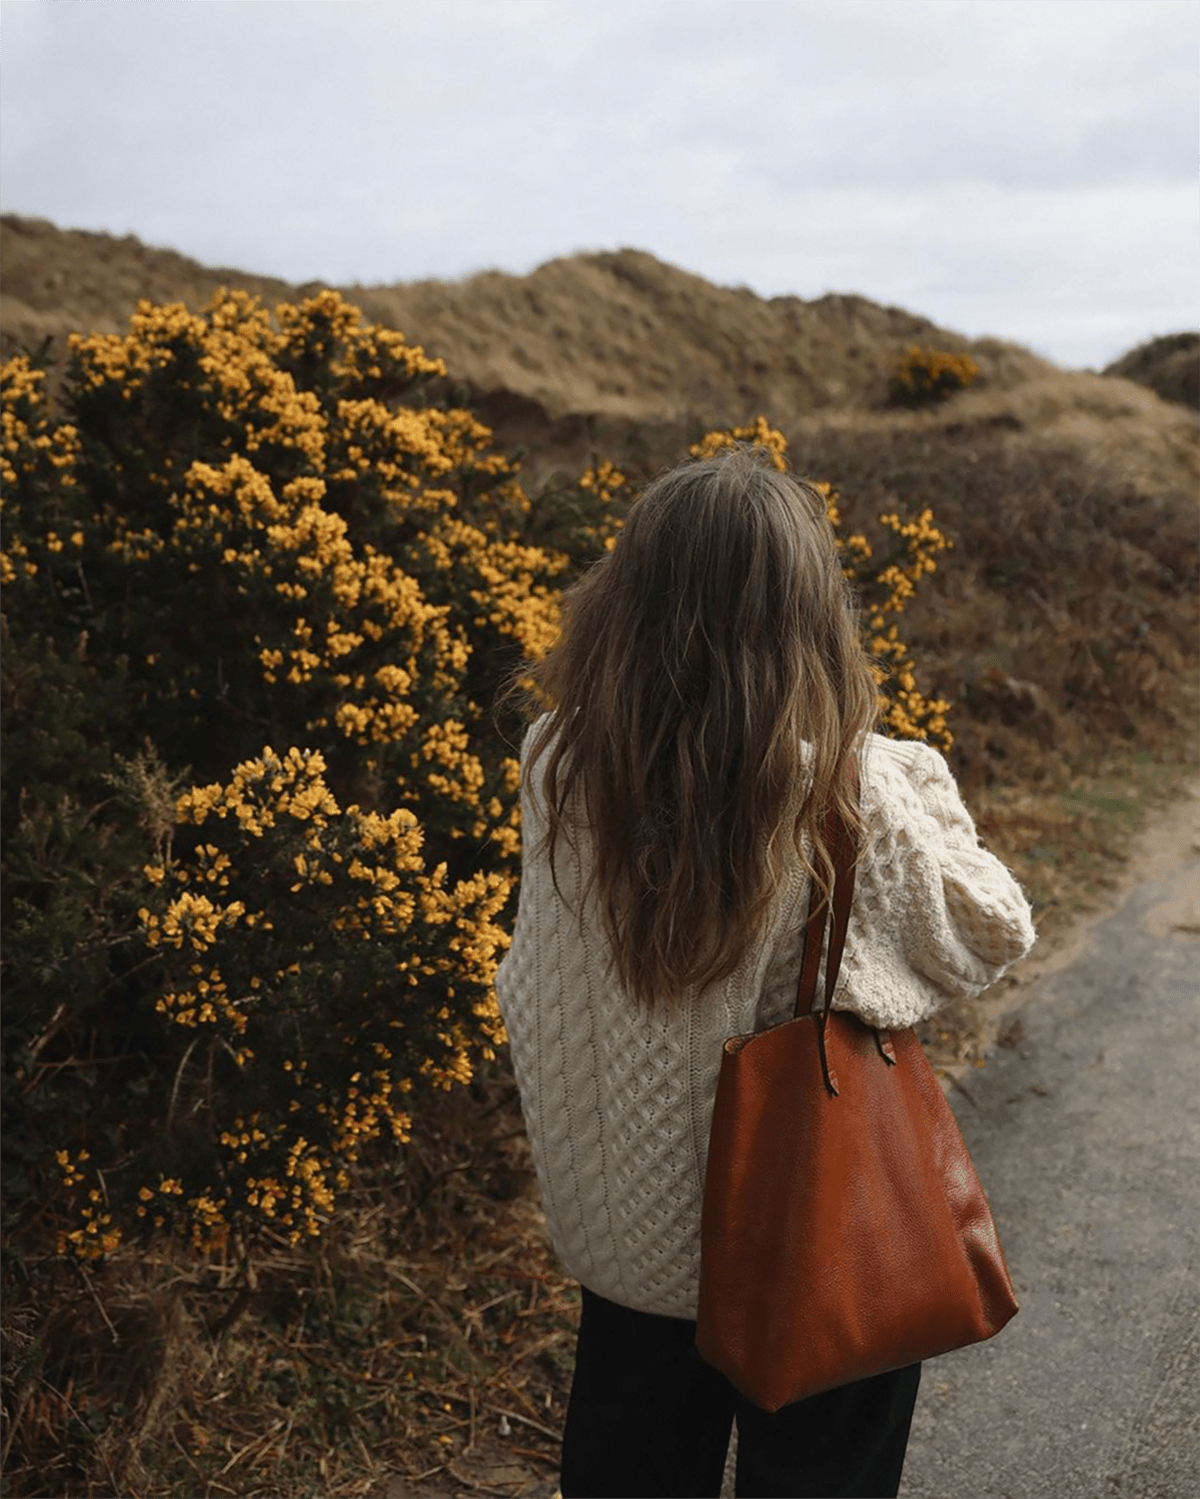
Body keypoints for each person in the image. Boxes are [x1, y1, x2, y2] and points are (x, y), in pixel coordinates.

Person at [494, 444, 1036, 1498]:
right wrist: (905, 764)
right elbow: (989, 924)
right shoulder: (848, 790)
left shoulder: (556, 763)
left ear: (627, 596)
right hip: (812, 1243)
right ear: (805, 611)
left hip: (628, 1247)